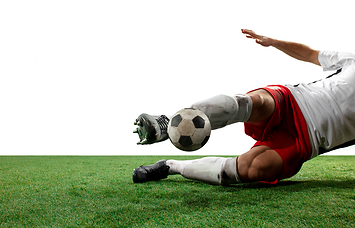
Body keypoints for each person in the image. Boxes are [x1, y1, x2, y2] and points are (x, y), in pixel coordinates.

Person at [132, 29, 355, 185]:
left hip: (307, 141)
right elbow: (310, 54)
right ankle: (166, 123)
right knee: (254, 102)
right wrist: (274, 42)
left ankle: (170, 167)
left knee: (253, 169)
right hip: (295, 100)